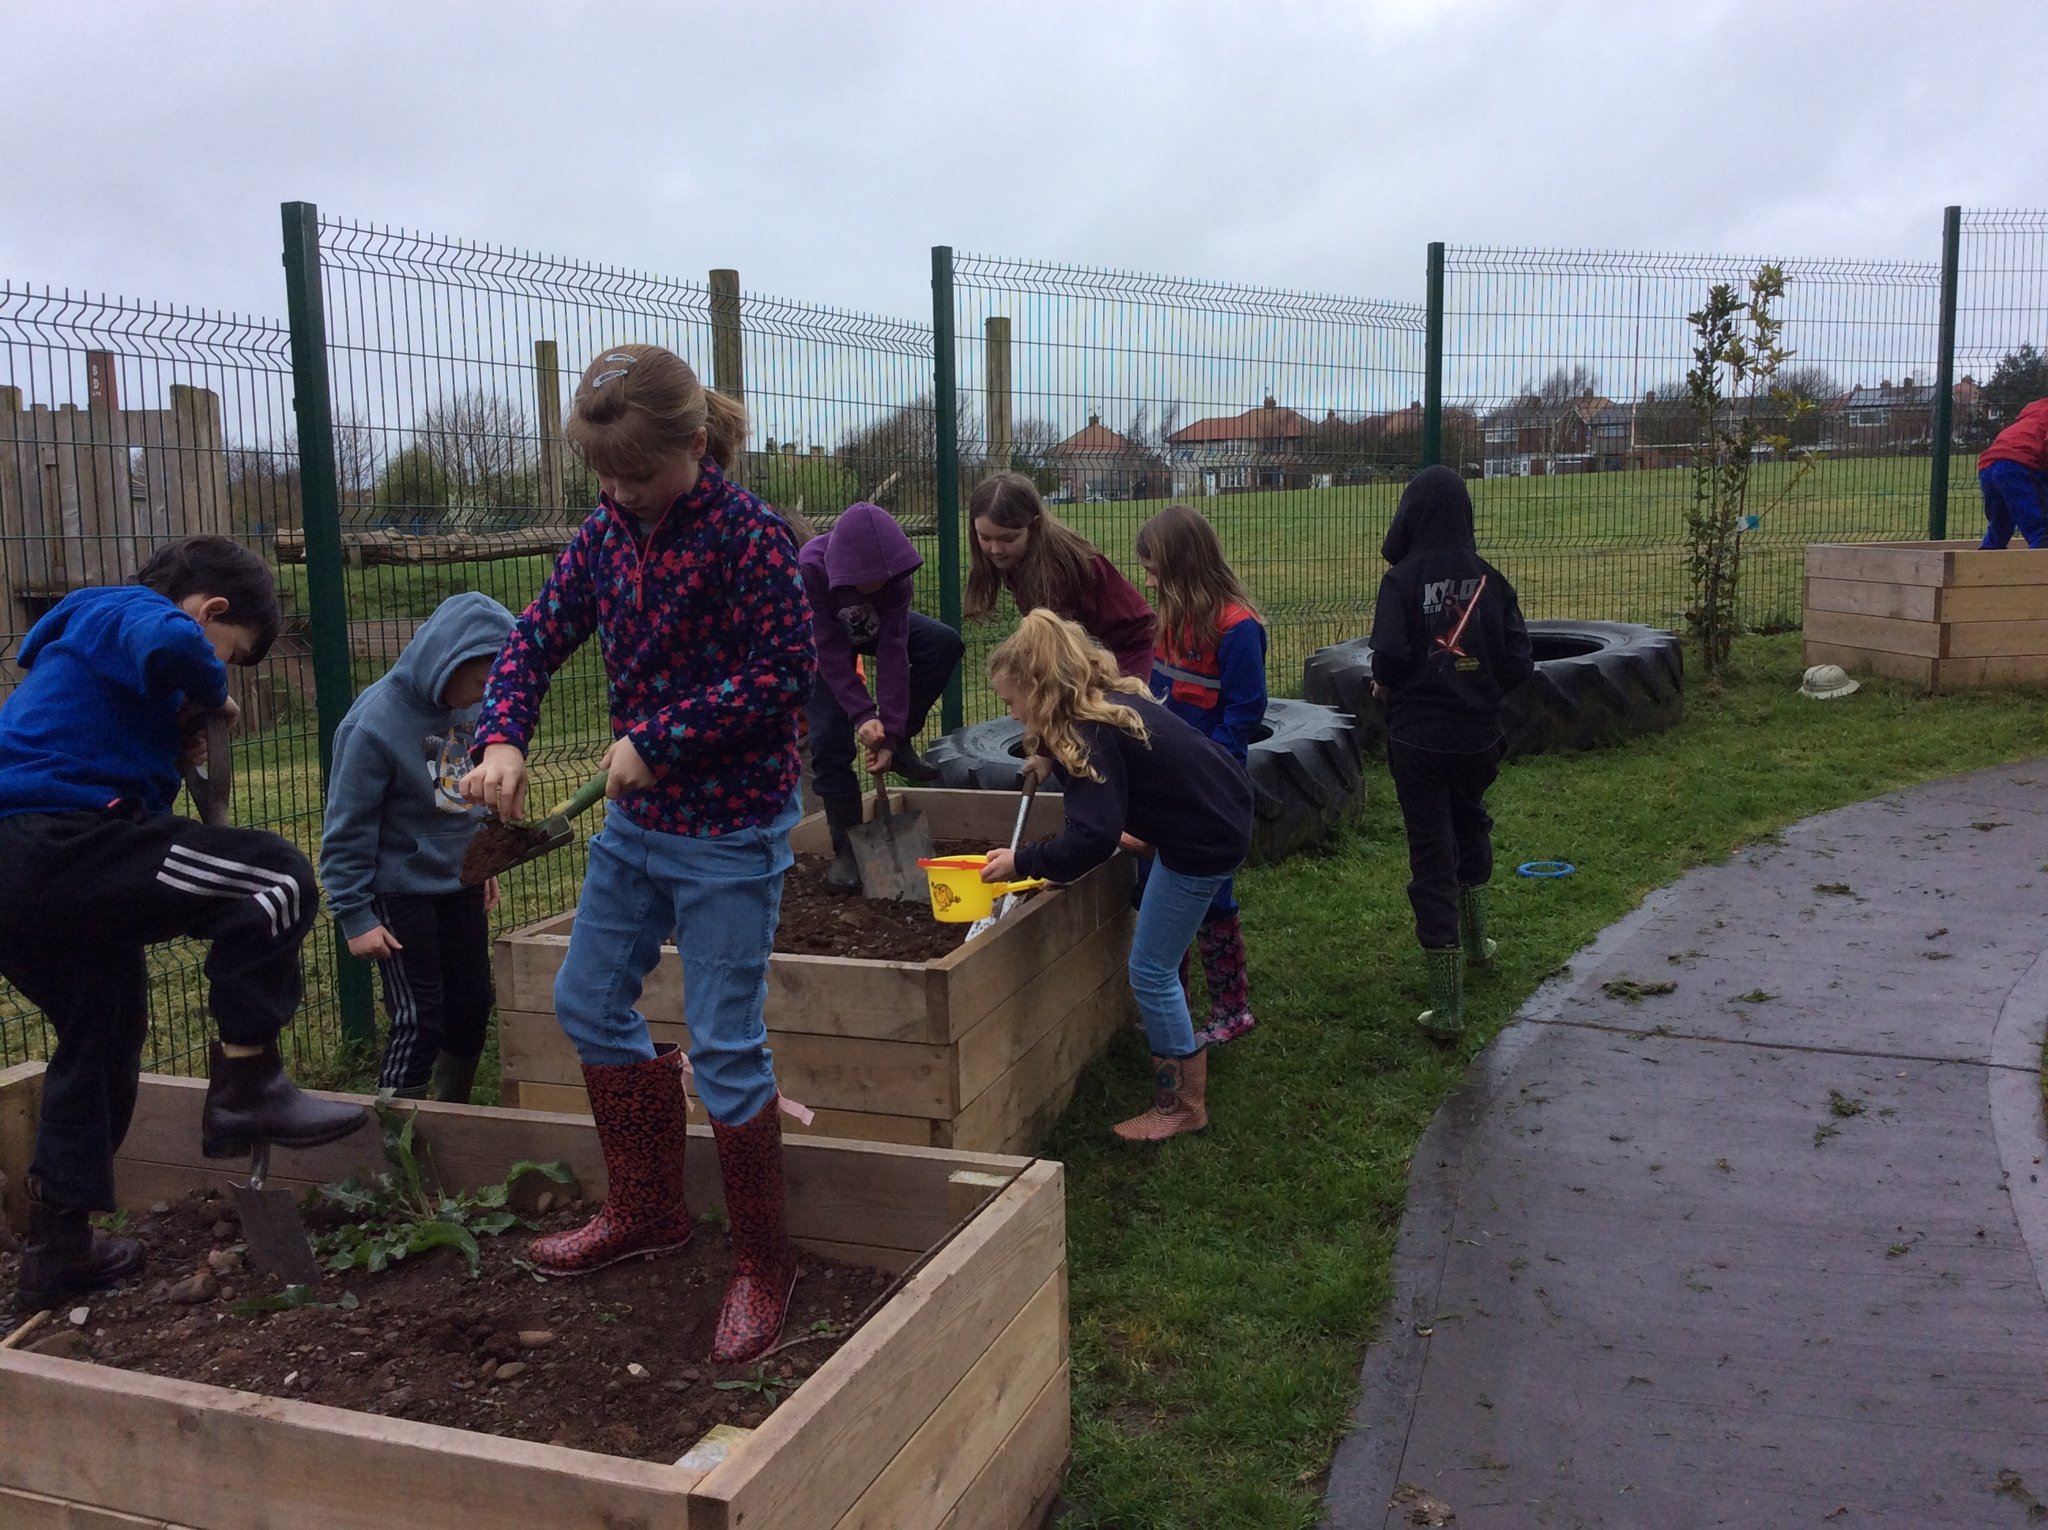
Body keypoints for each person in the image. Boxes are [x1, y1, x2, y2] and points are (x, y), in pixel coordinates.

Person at [462, 344, 814, 1365]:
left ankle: (763, 1261)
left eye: (637, 475)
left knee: (726, 1042)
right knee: (585, 999)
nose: (618, 493)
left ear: (695, 448)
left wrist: (657, 742)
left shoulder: (748, 538)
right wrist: (503, 736)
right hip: (638, 832)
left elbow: (782, 676)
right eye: (603, 478)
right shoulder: (605, 534)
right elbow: (533, 639)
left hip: (730, 831)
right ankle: (649, 1209)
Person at [0, 536, 369, 1314]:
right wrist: (211, 692)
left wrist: (174, 732)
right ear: (213, 611)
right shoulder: (121, 608)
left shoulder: (95, 656)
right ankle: (247, 1082)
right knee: (272, 881)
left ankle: (57, 1248)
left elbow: (115, 736)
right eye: (233, 653)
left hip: (29, 867)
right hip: (54, 842)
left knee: (103, 1025)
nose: (224, 671)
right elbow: (171, 639)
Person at [980, 610, 1251, 1143]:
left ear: (1040, 689)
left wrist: (1024, 863)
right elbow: (1118, 787)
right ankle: (1178, 1079)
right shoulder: (1102, 705)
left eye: (1012, 702)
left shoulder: (1086, 735)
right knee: (1154, 953)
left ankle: (1181, 1105)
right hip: (1217, 812)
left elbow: (1092, 837)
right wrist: (1048, 761)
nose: (1012, 715)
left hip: (1202, 841)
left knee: (1150, 968)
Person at [320, 592, 516, 1102]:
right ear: (446, 661)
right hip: (398, 892)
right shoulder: (373, 726)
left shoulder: (469, 708)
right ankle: (396, 1131)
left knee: (472, 1003)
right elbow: (346, 829)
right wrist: (355, 916)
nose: (484, 695)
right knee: (420, 1015)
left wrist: (478, 853)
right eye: (479, 680)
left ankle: (452, 1116)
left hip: (458, 882)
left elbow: (463, 789)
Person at [1367, 466, 1533, 1040]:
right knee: (1471, 822)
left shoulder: (1402, 581)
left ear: (1410, 515)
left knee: (1430, 854)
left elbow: (1386, 657)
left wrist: (1388, 684)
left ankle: (1448, 1005)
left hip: (1417, 741)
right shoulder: (1491, 579)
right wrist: (1477, 685)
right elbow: (1518, 665)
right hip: (1479, 738)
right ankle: (1479, 941)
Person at [1133, 504, 1266, 1047]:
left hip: (1208, 790)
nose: (1147, 579)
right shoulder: (1167, 620)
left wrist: (1205, 776)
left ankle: (1232, 1007)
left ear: (1183, 565)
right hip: (1167, 784)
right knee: (1156, 889)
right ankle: (1173, 1001)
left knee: (1212, 897)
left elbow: (1243, 715)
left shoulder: (1237, 629)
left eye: (1153, 567)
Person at [798, 500, 964, 890]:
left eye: (881, 582)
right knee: (828, 739)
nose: (875, 589)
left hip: (866, 629)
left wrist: (888, 729)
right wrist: (861, 714)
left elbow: (893, 650)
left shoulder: (896, 575)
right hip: (822, 648)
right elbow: (831, 654)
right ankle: (846, 851)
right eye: (866, 583)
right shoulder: (811, 568)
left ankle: (901, 742)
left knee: (942, 643)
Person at [964, 471, 1156, 681]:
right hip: (1087, 654)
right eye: (985, 537)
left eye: (1008, 538)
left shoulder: (1059, 568)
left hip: (1126, 654)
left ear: (1034, 527)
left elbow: (1058, 649)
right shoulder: (1014, 557)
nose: (996, 549)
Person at [1978, 398, 2048, 550]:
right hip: (2019, 466)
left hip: (1988, 466)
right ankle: (2038, 569)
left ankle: (1982, 567)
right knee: (2042, 530)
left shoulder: (2035, 410)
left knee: (1999, 527)